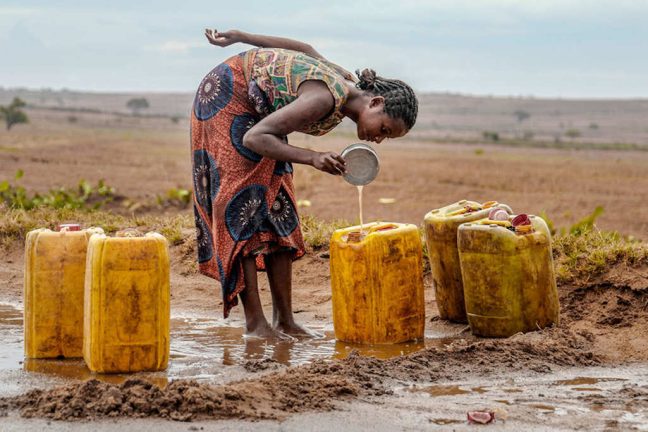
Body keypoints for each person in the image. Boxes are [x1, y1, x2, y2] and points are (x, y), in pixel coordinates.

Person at [191, 28, 418, 339]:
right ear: (376, 102)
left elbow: (303, 48)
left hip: (262, 113)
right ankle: (256, 325)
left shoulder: (341, 82)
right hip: (231, 98)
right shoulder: (324, 97)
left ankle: (285, 320)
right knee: (241, 206)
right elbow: (255, 138)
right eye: (384, 129)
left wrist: (242, 37)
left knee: (280, 208)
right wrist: (311, 157)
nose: (378, 139)